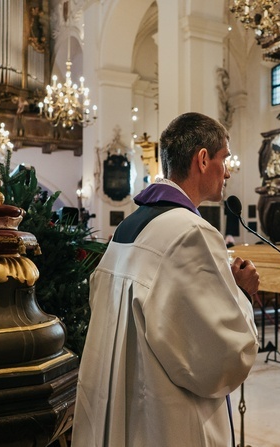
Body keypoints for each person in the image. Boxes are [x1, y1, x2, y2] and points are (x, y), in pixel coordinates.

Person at [72, 112, 260, 447]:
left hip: (119, 409)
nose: (228, 171)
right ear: (203, 159)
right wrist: (242, 294)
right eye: (224, 159)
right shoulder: (190, 232)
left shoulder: (128, 228)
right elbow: (220, 356)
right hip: (162, 420)